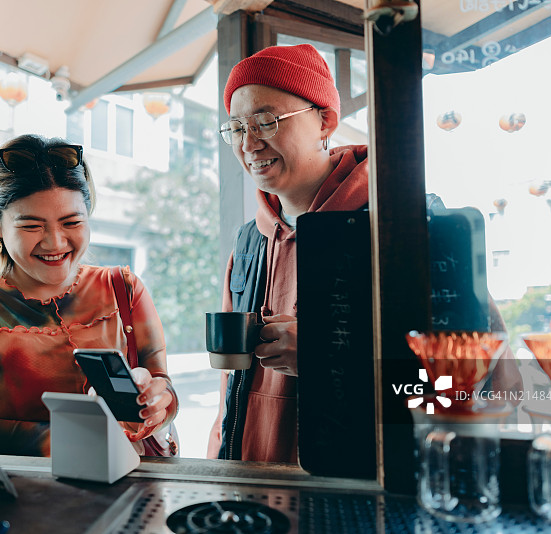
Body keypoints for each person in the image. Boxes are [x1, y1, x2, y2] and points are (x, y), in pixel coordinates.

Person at [207, 44, 521, 463]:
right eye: (236, 128)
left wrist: (331, 358)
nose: (249, 143)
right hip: (254, 491)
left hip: (362, 493)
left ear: (325, 121)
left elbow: (489, 383)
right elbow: (233, 391)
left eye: (265, 121)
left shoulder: (407, 226)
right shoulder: (249, 243)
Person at [0, 134, 177, 456]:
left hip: (124, 485)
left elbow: (163, 387)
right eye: (32, 226)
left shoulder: (123, 288)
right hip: (11, 495)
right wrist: (73, 437)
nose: (56, 243)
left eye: (72, 222)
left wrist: (156, 401)